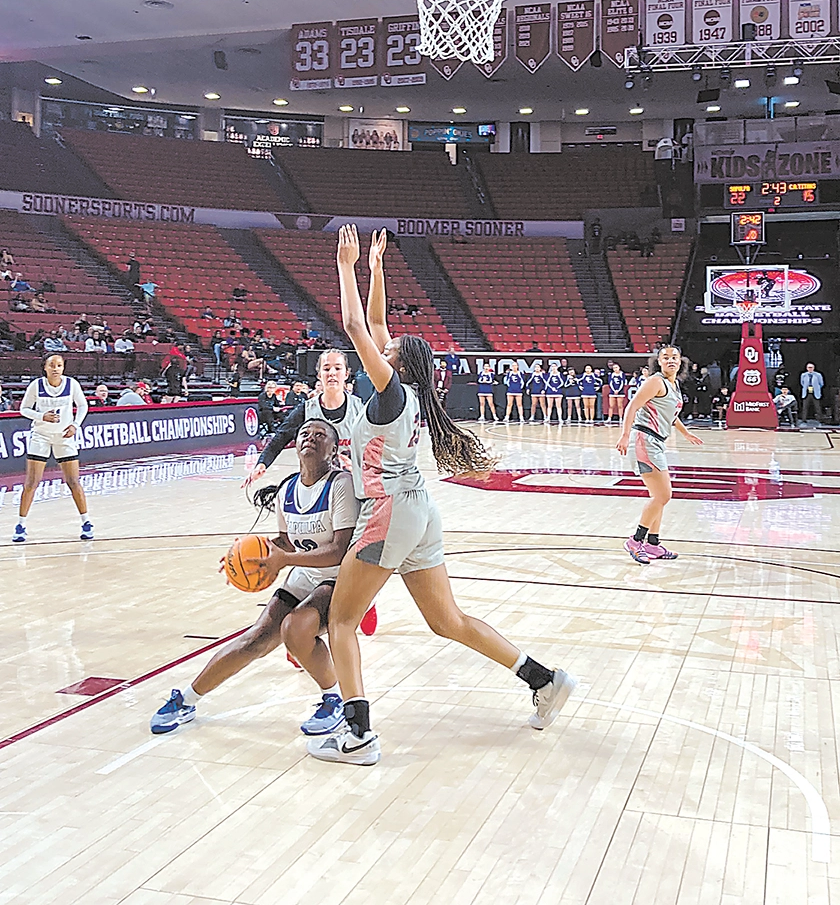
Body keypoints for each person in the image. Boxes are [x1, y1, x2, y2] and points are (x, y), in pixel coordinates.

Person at [306, 227, 575, 767]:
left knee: (340, 619)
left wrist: (345, 265)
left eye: (390, 350)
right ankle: (543, 679)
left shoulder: (388, 391)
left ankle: (357, 734)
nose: (382, 345)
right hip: (418, 510)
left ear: (397, 364)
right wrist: (378, 270)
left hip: (389, 512)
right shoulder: (401, 389)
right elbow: (378, 325)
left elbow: (359, 325)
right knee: (446, 620)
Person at [150, 419, 361, 737]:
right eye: (305, 433)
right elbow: (286, 542)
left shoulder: (341, 484)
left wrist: (285, 560)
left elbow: (338, 550)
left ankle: (333, 700)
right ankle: (187, 700)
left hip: (342, 576)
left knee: (296, 628)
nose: (310, 438)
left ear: (334, 448)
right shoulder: (287, 489)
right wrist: (246, 556)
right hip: (306, 572)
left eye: (320, 435)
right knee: (256, 638)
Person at [617, 345, 703, 565]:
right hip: (644, 439)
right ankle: (636, 541)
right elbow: (633, 406)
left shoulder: (673, 385)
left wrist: (686, 433)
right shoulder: (655, 381)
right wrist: (625, 435)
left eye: (675, 357)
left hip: (656, 442)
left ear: (680, 361)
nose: (671, 360)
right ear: (659, 361)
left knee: (659, 497)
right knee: (663, 495)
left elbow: (671, 416)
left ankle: (653, 544)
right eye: (666, 357)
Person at [244, 350, 365, 487]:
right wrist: (262, 463)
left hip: (352, 484)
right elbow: (279, 439)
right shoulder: (306, 410)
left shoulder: (360, 408)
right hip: (315, 486)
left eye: (337, 368)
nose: (332, 373)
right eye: (326, 369)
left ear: (346, 374)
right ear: (319, 375)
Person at [12, 354, 92, 543]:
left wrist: (75, 425)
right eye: (52, 365)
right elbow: (24, 409)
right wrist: (41, 416)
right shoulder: (36, 385)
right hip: (41, 436)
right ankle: (21, 525)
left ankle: (86, 522)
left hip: (64, 437)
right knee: (31, 482)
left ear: (63, 368)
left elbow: (82, 406)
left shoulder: (71, 384)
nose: (56, 368)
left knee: (73, 481)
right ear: (45, 368)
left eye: (59, 365)